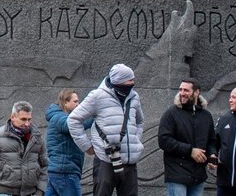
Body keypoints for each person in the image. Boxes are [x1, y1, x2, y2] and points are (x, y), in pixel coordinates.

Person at [67, 63, 145, 196]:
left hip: (129, 160)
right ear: (119, 81)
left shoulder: (134, 97)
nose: (133, 83)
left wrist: (135, 140)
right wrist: (87, 146)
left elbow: (140, 121)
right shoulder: (97, 96)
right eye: (129, 80)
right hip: (105, 159)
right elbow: (73, 119)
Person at [0, 101, 48, 196]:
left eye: (29, 119)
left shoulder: (37, 138)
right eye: (23, 119)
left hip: (31, 192)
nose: (27, 123)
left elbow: (45, 166)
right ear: (13, 117)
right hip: (5, 192)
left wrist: (40, 191)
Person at [157, 79, 217, 196]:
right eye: (180, 89)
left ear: (196, 92)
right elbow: (164, 140)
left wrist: (212, 154)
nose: (182, 93)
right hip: (176, 174)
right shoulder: (171, 113)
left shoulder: (206, 116)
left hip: (198, 175)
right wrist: (190, 151)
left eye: (186, 90)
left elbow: (211, 141)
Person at [45, 89, 90, 196]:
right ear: (65, 102)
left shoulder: (59, 117)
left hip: (58, 172)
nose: (78, 105)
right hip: (65, 172)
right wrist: (96, 116)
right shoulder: (58, 118)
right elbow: (73, 125)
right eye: (75, 102)